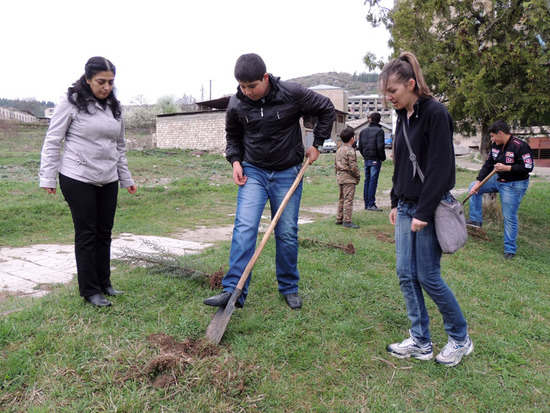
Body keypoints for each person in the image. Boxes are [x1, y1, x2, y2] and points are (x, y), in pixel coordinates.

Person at [203, 53, 335, 310]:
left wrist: (317, 144)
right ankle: (233, 292)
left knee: (286, 232)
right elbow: (233, 135)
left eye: (252, 86)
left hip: (288, 172)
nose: (247, 91)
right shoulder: (237, 103)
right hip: (254, 172)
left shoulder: (292, 93)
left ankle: (289, 287)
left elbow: (326, 108)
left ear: (265, 78)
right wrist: (235, 161)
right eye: (242, 86)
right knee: (244, 228)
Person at [382, 52, 473, 367]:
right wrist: (395, 201)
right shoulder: (402, 116)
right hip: (406, 206)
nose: (388, 97)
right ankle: (420, 341)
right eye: (385, 92)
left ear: (411, 83)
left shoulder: (435, 113)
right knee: (405, 275)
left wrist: (422, 212)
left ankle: (460, 339)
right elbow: (399, 163)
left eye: (392, 91)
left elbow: (441, 169)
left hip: (428, 209)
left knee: (428, 276)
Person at [39, 56, 137, 307]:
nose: (106, 87)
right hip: (77, 176)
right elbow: (53, 141)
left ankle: (105, 283)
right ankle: (90, 290)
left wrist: (126, 178)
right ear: (87, 79)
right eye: (100, 82)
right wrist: (47, 177)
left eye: (110, 82)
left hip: (108, 177)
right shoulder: (71, 103)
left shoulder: (115, 106)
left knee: (105, 232)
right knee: (87, 233)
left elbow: (119, 146)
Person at [467, 120, 533, 259]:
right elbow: (488, 164)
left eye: (492, 136)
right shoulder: (495, 146)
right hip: (498, 180)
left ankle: (510, 249)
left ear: (501, 133)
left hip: (514, 184)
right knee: (473, 187)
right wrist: (478, 181)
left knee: (509, 216)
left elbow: (528, 167)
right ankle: (475, 220)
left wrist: (507, 168)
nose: (491, 139)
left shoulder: (520, 146)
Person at [357, 112, 386, 211]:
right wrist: (382, 157)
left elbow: (360, 146)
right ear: (379, 120)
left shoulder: (363, 131)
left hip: (367, 158)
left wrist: (364, 155)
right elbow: (380, 146)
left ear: (370, 119)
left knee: (367, 181)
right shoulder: (380, 131)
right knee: (373, 181)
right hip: (375, 158)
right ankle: (371, 204)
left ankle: (367, 203)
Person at [335, 127, 360, 228]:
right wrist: (357, 176)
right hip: (349, 178)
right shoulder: (350, 151)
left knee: (341, 198)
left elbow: (335, 165)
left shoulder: (339, 150)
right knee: (348, 199)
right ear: (352, 139)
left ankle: (339, 218)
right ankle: (347, 221)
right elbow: (353, 166)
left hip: (340, 177)